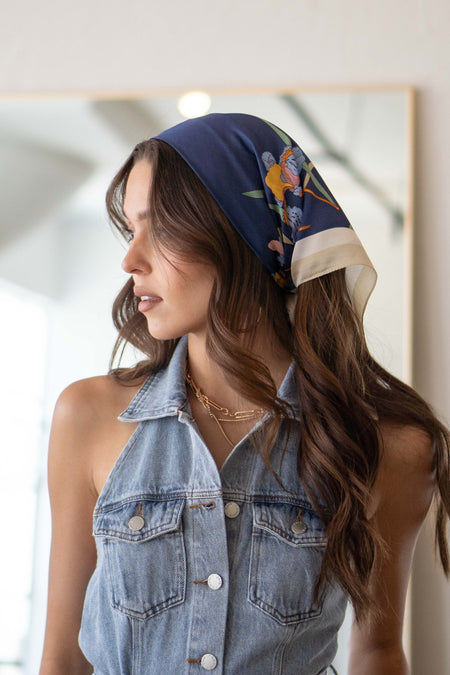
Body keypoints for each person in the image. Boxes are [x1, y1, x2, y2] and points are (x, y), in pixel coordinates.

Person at [40, 113, 450, 675]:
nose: (130, 260)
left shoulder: (389, 447)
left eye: (160, 229)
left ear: (242, 232)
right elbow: (63, 661)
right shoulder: (89, 417)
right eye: (131, 230)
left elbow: (378, 652)